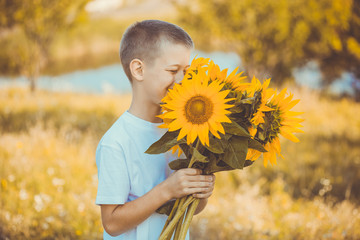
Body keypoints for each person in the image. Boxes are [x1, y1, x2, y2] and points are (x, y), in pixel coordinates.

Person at [95, 20, 215, 240]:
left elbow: (190, 207)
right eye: (172, 70)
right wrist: (167, 190)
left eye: (186, 71)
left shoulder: (184, 131)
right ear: (139, 69)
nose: (181, 80)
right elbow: (111, 223)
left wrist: (200, 192)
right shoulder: (117, 141)